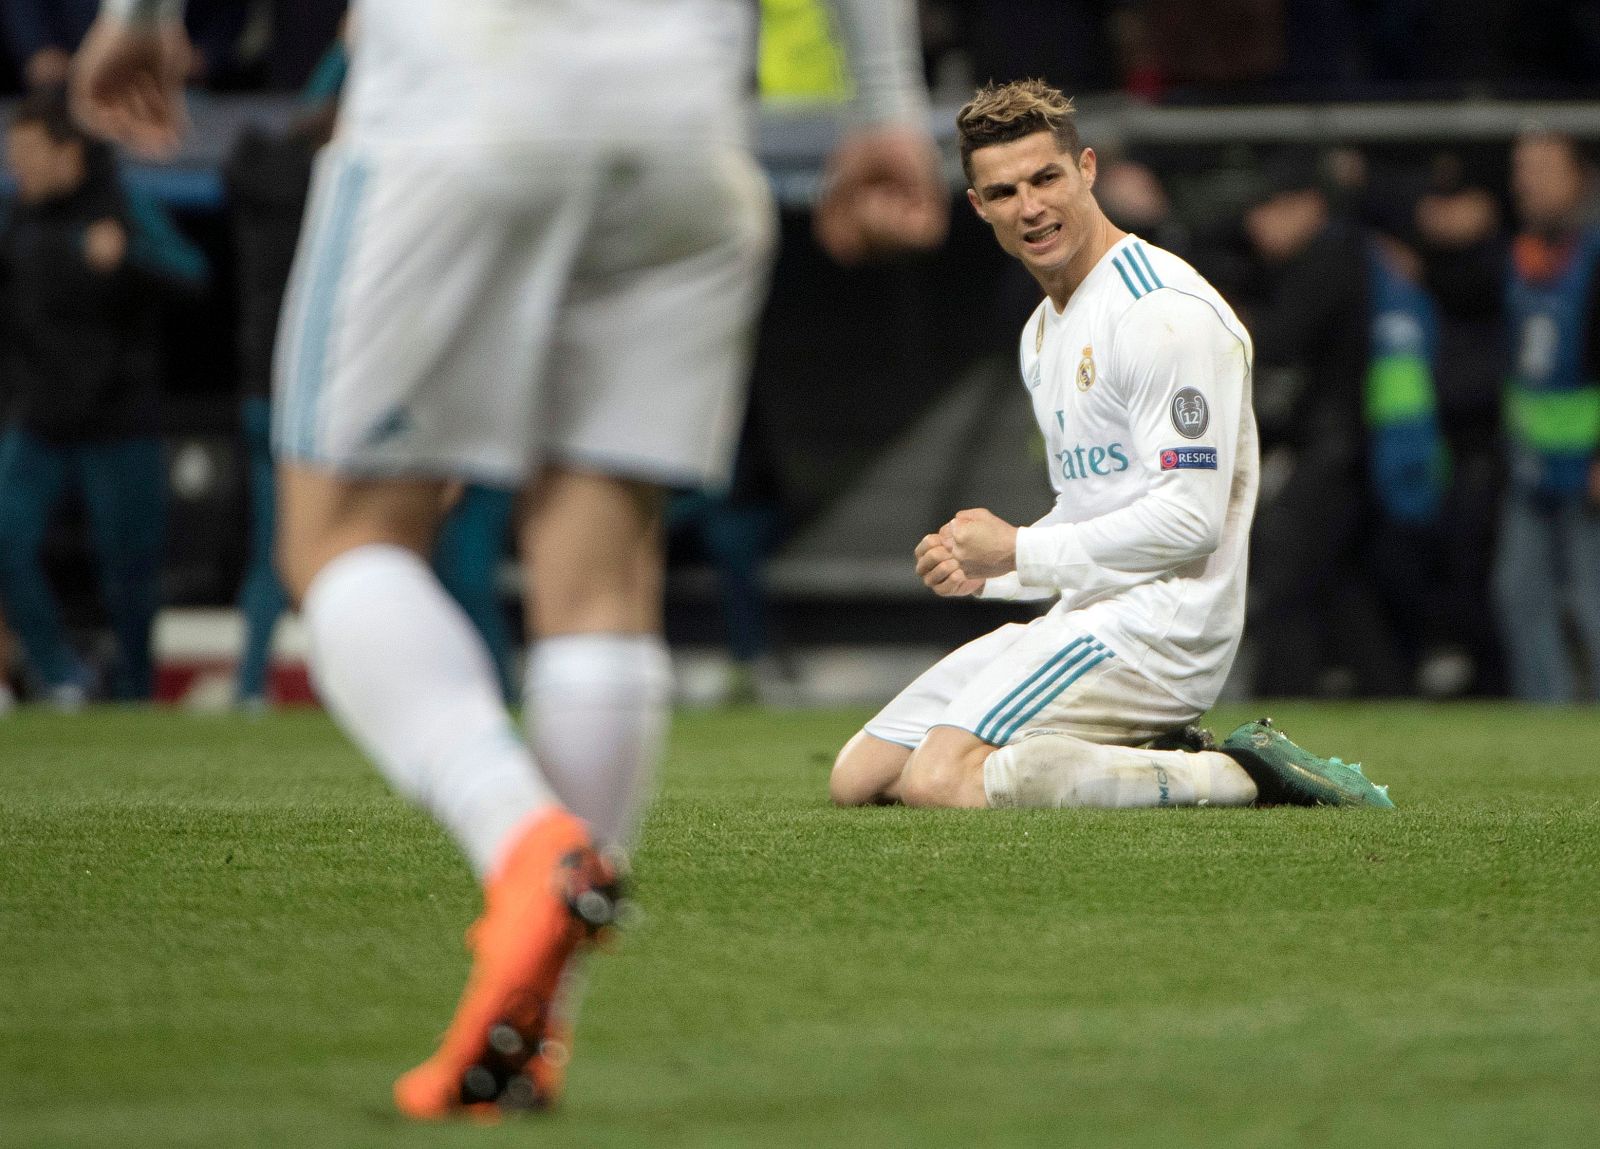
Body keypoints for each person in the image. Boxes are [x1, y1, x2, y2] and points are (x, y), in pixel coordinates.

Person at [72, 0, 947, 1121]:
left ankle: (524, 844)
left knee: (338, 535)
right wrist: (886, 108)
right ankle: (531, 1036)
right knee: (602, 575)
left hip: (465, 89)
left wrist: (139, 16)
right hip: (683, 121)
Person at [828, 80, 1395, 813]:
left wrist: (1019, 550)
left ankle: (1234, 774)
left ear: (1087, 169)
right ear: (978, 207)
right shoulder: (1043, 330)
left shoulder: (1162, 313)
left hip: (1163, 629)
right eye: (1003, 193)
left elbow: (1191, 521)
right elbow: (1092, 505)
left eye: (1045, 178)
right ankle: (1133, 753)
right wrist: (992, 572)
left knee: (937, 781)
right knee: (859, 777)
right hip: (1086, 614)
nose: (1030, 207)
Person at [0, 92, 206, 705]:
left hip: (119, 422)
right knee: (6, 538)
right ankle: (61, 674)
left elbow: (191, 273)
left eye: (28, 152)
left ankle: (133, 695)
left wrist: (129, 258)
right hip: (39, 421)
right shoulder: (18, 217)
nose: (17, 167)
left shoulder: (123, 204)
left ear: (68, 153)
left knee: (130, 575)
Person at [1493, 130, 1600, 702]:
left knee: (1591, 600)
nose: (1526, 183)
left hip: (1588, 466)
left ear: (1580, 177)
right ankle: (1547, 721)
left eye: (1542, 169)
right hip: (1531, 462)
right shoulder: (1522, 254)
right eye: (1521, 169)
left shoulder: (1593, 254)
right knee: (1518, 594)